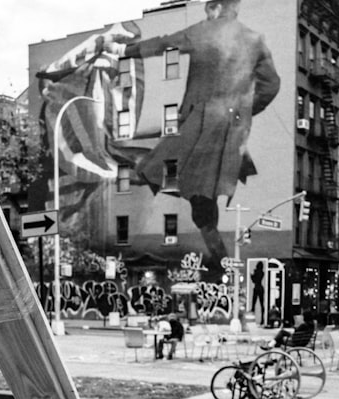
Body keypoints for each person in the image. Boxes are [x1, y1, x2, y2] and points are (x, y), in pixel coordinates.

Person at [108, 0, 280, 277]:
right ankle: (224, 264)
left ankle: (114, 169)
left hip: (199, 125)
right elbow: (272, 85)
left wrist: (124, 51)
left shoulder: (204, 31)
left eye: (208, 9)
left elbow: (164, 44)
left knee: (154, 170)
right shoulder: (254, 39)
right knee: (202, 198)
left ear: (215, 8)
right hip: (229, 133)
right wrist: (244, 109)